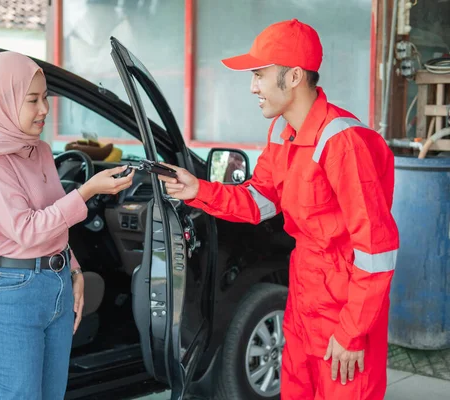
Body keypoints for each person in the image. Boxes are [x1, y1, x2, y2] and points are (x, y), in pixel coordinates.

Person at [158, 19, 399, 400]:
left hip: (343, 311)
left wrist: (352, 333)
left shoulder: (342, 143)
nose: (253, 87)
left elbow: (377, 251)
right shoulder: (283, 134)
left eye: (259, 75)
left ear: (293, 77)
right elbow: (259, 201)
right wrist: (196, 189)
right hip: (303, 300)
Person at [0, 51, 134, 400]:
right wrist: (86, 191)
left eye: (45, 98)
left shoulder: (38, 150)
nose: (44, 109)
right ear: (3, 100)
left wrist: (71, 268)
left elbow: (51, 215)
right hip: (11, 293)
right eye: (32, 100)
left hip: (54, 283)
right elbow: (27, 229)